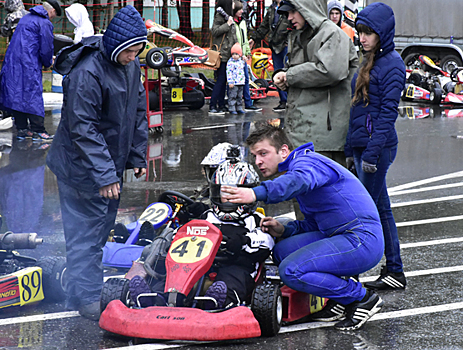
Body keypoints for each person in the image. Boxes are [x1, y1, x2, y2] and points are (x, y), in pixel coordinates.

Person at [221, 124, 385, 331]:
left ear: (283, 151)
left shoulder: (307, 163)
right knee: (282, 250)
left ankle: (362, 298)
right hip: (343, 236)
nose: (258, 162)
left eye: (263, 153)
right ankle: (338, 298)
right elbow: (314, 224)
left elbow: (297, 181)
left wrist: (256, 193)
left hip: (361, 240)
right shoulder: (300, 166)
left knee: (291, 271)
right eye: (254, 156)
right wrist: (284, 230)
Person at [46, 5, 149, 321]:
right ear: (117, 45)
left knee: (99, 231)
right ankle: (87, 297)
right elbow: (82, 127)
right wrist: (105, 175)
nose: (134, 57)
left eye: (137, 51)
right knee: (85, 235)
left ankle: (80, 290)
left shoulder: (129, 67)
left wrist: (136, 155)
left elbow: (138, 111)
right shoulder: (88, 72)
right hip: (80, 169)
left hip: (108, 167)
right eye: (130, 51)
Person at [129, 157, 275, 310]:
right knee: (171, 274)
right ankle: (154, 298)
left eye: (233, 193)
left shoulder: (255, 220)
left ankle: (215, 302)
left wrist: (242, 241)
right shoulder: (207, 216)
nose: (226, 199)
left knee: (231, 279)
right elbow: (188, 232)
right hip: (197, 265)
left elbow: (266, 241)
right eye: (223, 192)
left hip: (233, 264)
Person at [345, 2, 407, 291]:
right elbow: (357, 109)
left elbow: (387, 115)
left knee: (360, 215)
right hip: (363, 148)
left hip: (377, 150)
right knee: (381, 210)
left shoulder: (393, 64)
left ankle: (350, 277)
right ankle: (394, 269)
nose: (363, 37)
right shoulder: (369, 60)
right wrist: (349, 149)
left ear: (382, 33)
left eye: (369, 32)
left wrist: (369, 154)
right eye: (360, 32)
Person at [272, 0, 358, 165]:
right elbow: (299, 70)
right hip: (306, 133)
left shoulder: (332, 34)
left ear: (307, 7)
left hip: (324, 139)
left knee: (323, 188)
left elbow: (330, 71)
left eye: (293, 11)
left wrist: (289, 76)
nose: (289, 18)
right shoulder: (302, 34)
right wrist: (283, 76)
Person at [0, 0, 62, 142]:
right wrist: (47, 63)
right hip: (29, 64)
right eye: (54, 15)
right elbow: (46, 47)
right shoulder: (44, 23)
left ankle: (22, 129)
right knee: (33, 95)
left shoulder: (26, 18)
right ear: (51, 11)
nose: (53, 18)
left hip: (12, 63)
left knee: (17, 94)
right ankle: (39, 130)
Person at [249, 0, 290, 112]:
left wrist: (288, 41)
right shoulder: (271, 9)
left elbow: (292, 26)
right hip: (275, 46)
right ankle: (283, 101)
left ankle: (290, 101)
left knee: (288, 72)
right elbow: (264, 26)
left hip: (286, 46)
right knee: (277, 73)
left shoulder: (288, 6)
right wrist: (254, 38)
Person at [231, 1, 261, 112]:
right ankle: (232, 104)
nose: (242, 11)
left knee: (246, 79)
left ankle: (248, 104)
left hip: (243, 56)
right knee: (234, 82)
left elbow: (244, 40)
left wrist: (247, 51)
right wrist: (237, 55)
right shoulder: (231, 23)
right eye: (240, 10)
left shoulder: (242, 22)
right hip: (235, 57)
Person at [209, 0, 238, 115]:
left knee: (224, 80)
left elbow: (233, 36)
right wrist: (228, 24)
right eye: (232, 2)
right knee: (220, 80)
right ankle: (212, 105)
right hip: (221, 54)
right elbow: (215, 31)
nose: (234, 4)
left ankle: (221, 104)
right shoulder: (220, 15)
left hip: (229, 53)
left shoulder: (229, 16)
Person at [226, 43, 246, 114]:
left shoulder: (241, 61)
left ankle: (239, 107)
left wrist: (244, 58)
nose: (234, 56)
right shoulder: (230, 62)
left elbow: (243, 64)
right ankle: (232, 108)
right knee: (233, 95)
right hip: (234, 83)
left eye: (236, 54)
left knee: (239, 96)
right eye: (233, 54)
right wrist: (230, 82)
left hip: (241, 82)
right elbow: (229, 72)